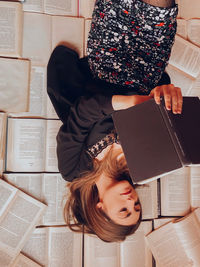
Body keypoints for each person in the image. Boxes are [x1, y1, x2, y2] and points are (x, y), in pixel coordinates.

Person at [47, 0, 183, 242]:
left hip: (107, 61)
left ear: (99, 208)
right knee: (162, 7)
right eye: (137, 207)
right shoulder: (142, 166)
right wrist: (167, 95)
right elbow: (158, 108)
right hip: (148, 68)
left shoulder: (74, 170)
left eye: (124, 210)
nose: (132, 201)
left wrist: (126, 103)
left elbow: (81, 113)